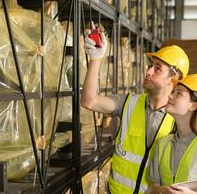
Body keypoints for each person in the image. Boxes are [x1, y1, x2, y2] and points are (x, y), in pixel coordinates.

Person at [81, 30, 189, 193]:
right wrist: (96, 59)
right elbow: (89, 101)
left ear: (172, 80)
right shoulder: (128, 103)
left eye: (157, 69)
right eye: (151, 65)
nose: (148, 71)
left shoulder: (180, 121)